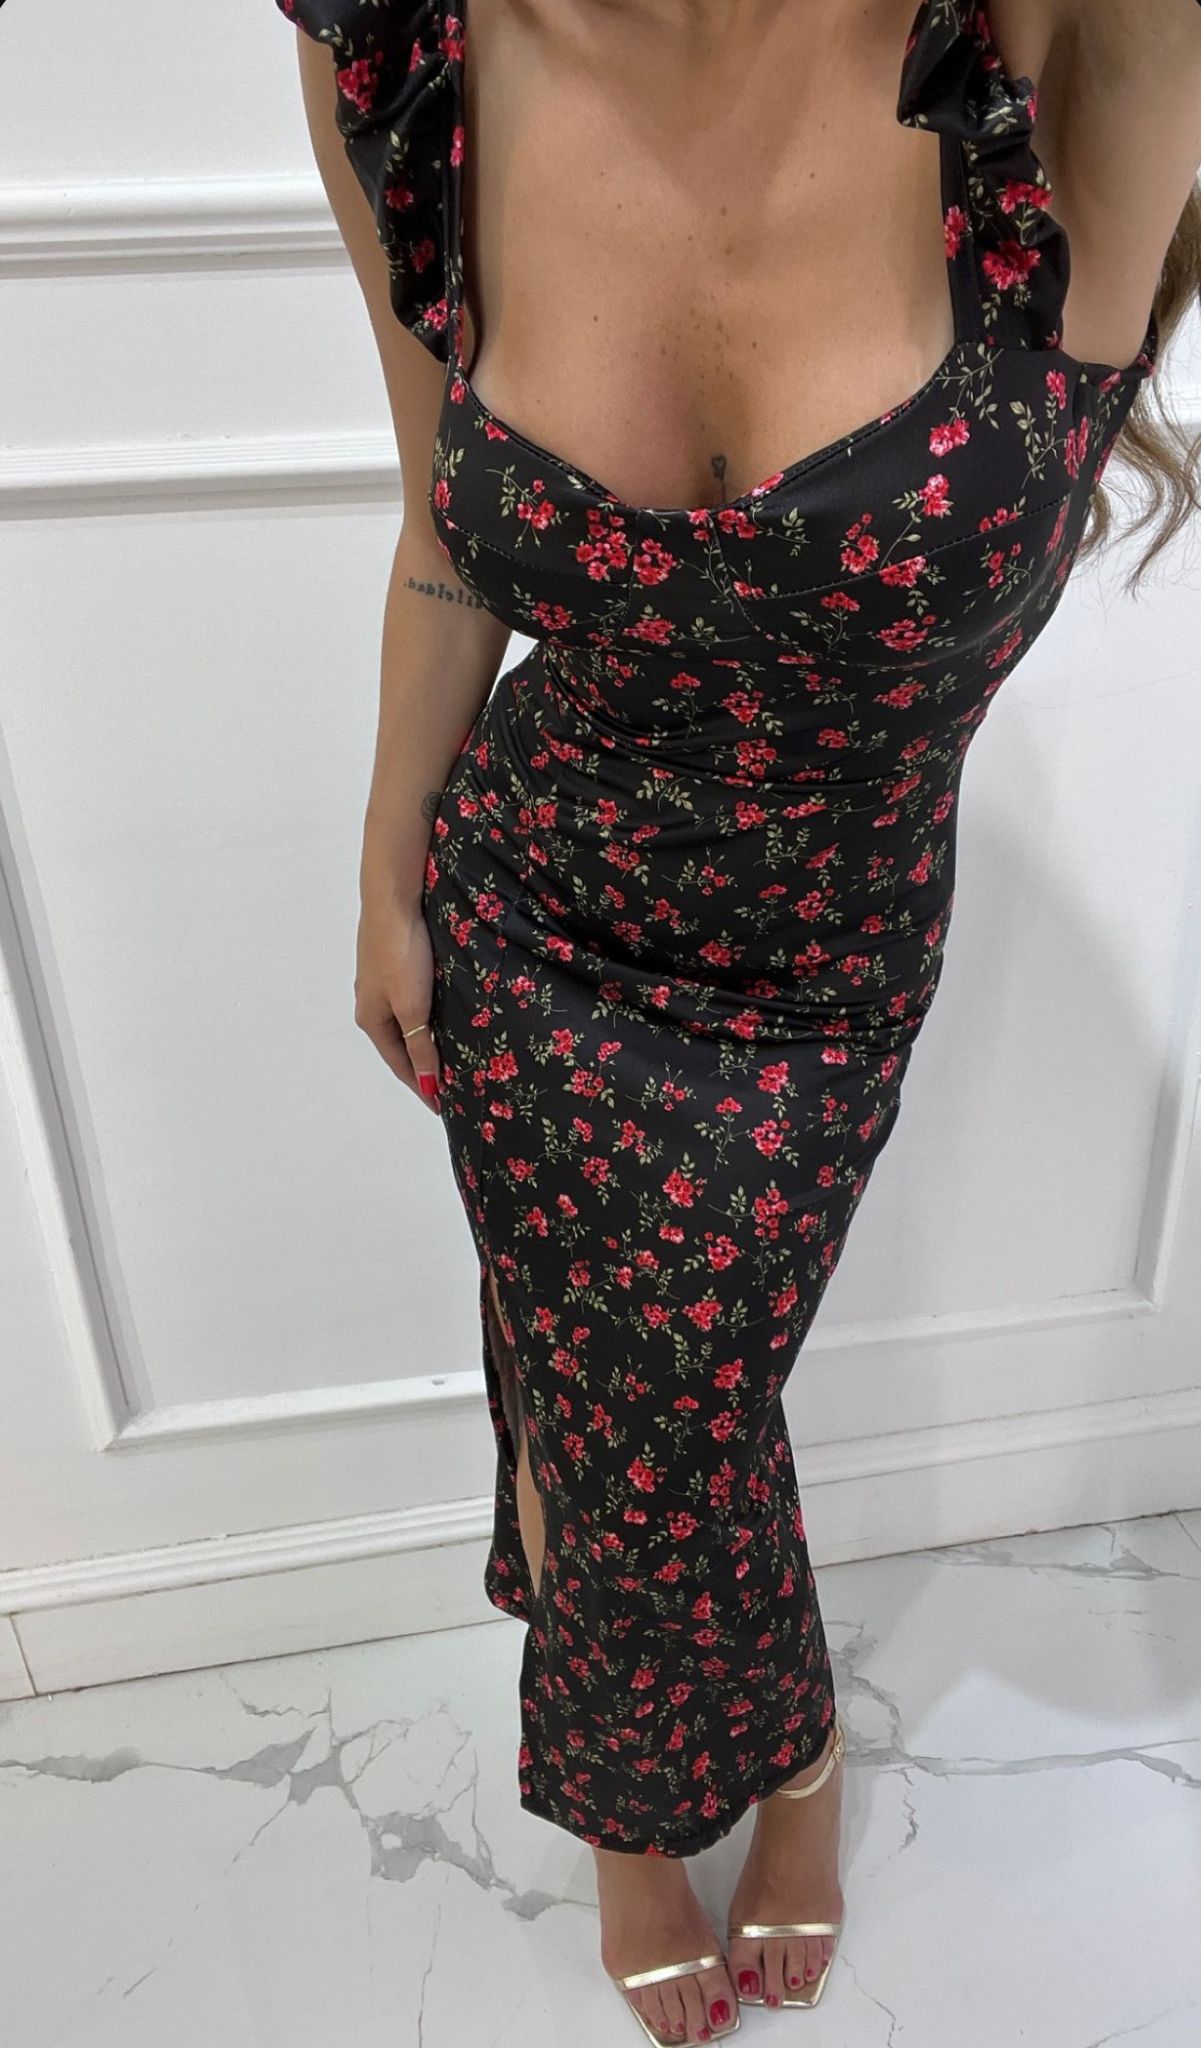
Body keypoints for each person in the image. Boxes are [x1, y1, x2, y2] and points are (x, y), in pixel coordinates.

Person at [275, 2, 1201, 2041]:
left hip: (820, 972)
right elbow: (444, 538)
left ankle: (746, 1738)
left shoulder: (1071, 59)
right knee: (616, 1406)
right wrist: (383, 873)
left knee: (659, 1413)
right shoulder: (413, 57)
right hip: (528, 910)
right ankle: (687, 1797)